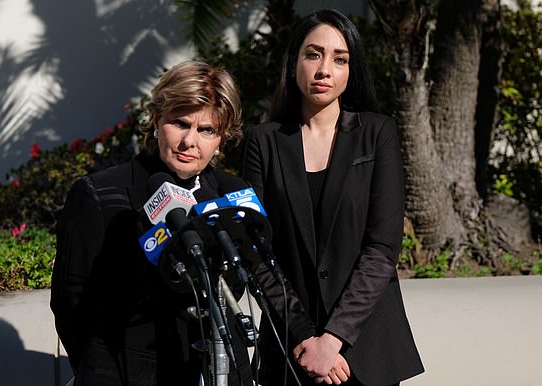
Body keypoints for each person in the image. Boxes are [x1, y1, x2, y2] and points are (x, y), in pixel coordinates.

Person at [242, 9, 424, 386]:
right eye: (313, 54)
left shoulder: (377, 134)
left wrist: (334, 338)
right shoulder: (264, 141)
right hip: (292, 349)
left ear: (351, 70)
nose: (325, 69)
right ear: (294, 62)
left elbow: (382, 248)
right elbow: (258, 251)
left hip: (367, 349)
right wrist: (308, 337)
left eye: (340, 59)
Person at [51, 60, 253, 385]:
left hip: (220, 371)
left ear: (223, 136)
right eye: (179, 123)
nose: (190, 141)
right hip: (128, 373)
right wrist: (102, 368)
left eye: (206, 130)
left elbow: (237, 284)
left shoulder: (234, 193)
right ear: (157, 120)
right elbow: (70, 301)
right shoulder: (100, 193)